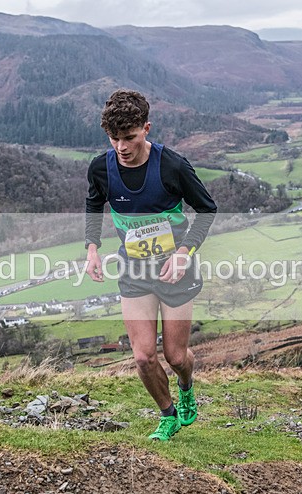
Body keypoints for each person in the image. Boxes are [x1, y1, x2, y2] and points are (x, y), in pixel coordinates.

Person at [84, 89, 217, 441]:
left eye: (129, 137)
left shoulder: (172, 165)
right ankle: (168, 415)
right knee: (143, 357)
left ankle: (186, 385)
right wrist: (92, 247)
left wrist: (184, 252)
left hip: (175, 270)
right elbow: (93, 204)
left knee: (175, 357)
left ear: (146, 128)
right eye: (114, 139)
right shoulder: (101, 167)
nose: (121, 147)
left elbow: (207, 210)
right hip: (134, 270)